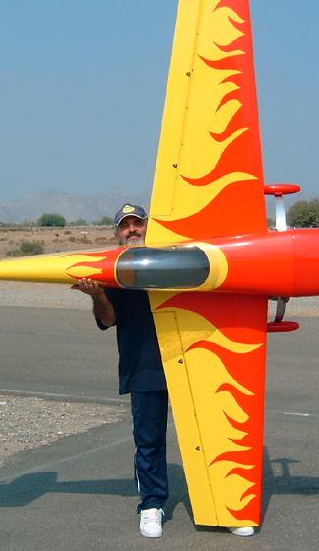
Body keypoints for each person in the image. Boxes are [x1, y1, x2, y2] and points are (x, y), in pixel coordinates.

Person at [72, 204, 254, 539]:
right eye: (125, 226)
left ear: (148, 226)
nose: (132, 230)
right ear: (117, 233)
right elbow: (108, 320)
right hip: (144, 364)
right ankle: (152, 504)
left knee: (214, 430)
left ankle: (227, 504)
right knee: (149, 438)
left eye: (137, 223)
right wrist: (97, 295)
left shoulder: (179, 256)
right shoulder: (113, 272)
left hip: (196, 356)